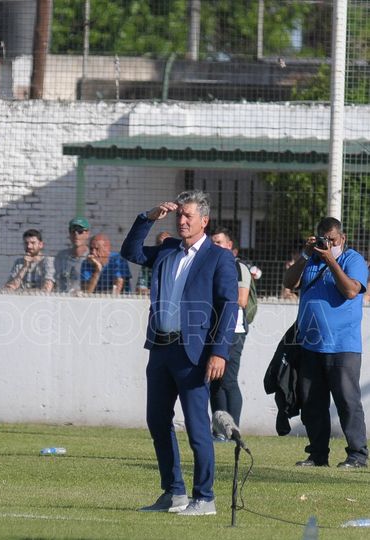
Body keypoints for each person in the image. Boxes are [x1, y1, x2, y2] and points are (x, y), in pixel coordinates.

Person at [121, 190, 238, 516]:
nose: (182, 221)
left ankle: (205, 498)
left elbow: (229, 306)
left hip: (195, 353)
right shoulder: (169, 249)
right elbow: (129, 251)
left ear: (204, 220)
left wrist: (220, 352)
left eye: (188, 216)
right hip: (161, 347)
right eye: (179, 215)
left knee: (198, 427)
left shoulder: (219, 257)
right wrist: (148, 218)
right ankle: (173, 493)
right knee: (157, 421)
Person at [283, 217, 368, 468]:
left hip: (342, 346)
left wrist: (331, 260)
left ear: (342, 238)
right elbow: (289, 283)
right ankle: (318, 454)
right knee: (312, 403)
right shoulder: (311, 260)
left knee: (347, 402)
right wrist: (304, 255)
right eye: (324, 239)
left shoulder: (352, 259)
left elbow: (351, 291)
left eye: (332, 239)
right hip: (311, 345)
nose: (328, 244)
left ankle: (357, 455)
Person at [210, 227, 250, 433]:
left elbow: (241, 300)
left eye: (219, 242)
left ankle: (233, 430)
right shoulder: (209, 265)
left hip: (233, 330)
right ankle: (219, 430)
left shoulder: (238, 267)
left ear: (230, 246)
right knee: (214, 381)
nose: (214, 246)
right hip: (211, 329)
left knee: (228, 380)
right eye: (212, 242)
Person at [54, 217, 90, 293]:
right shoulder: (61, 256)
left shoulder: (90, 257)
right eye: (73, 231)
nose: (76, 234)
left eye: (80, 231)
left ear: (87, 234)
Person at [135, 231, 171, 295]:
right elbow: (139, 290)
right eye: (159, 243)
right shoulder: (148, 265)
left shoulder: (177, 263)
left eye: (165, 245)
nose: (161, 247)